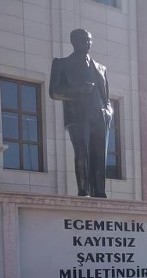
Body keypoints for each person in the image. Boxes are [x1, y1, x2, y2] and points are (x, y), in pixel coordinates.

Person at [49, 29, 113, 198]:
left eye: (89, 40)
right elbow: (54, 92)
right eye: (83, 40)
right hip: (77, 115)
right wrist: (78, 90)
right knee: (81, 152)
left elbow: (106, 96)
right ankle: (83, 192)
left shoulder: (101, 68)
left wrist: (108, 112)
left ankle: (100, 193)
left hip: (99, 115)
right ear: (74, 42)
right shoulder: (61, 64)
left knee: (100, 155)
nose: (87, 43)